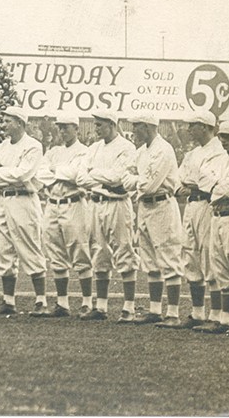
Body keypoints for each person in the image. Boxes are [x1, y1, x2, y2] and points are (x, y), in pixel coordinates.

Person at [0, 106, 50, 316]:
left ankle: (41, 301)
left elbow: (24, 175)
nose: (3, 124)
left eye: (7, 121)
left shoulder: (33, 146)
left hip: (24, 201)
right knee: (3, 250)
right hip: (3, 200)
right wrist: (7, 174)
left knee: (30, 247)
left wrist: (1, 171)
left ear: (19, 123)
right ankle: (8, 301)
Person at [122, 114, 185, 327]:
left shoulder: (163, 150)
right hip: (145, 206)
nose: (134, 130)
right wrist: (136, 181)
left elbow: (150, 185)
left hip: (162, 205)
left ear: (148, 127)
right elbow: (125, 177)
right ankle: (155, 310)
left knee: (168, 256)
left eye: (137, 126)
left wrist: (135, 181)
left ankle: (174, 314)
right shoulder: (141, 151)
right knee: (149, 259)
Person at [77, 109, 140, 321]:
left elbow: (118, 178)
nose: (96, 129)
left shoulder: (126, 147)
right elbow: (80, 177)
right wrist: (103, 180)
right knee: (99, 251)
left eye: (100, 125)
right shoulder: (93, 148)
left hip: (118, 204)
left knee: (124, 248)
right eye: (95, 125)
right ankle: (101, 307)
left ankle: (129, 307)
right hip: (96, 203)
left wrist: (96, 176)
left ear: (112, 124)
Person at [34, 115, 92, 317]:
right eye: (60, 128)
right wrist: (60, 172)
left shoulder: (84, 151)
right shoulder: (53, 151)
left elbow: (76, 175)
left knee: (80, 250)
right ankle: (62, 303)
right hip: (52, 204)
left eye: (66, 127)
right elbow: (40, 174)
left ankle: (86, 302)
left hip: (73, 202)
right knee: (55, 252)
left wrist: (54, 171)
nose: (62, 131)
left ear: (76, 129)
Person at [176, 110, 225, 328]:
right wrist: (192, 183)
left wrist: (194, 183)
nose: (189, 129)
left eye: (193, 125)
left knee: (209, 256)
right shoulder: (191, 154)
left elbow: (212, 183)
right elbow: (179, 180)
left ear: (205, 127)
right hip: (191, 206)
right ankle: (197, 313)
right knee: (190, 256)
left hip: (208, 205)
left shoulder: (220, 150)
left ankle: (215, 315)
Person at [196, 120, 229, 334]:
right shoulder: (220, 158)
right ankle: (225, 319)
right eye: (222, 136)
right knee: (220, 267)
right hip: (217, 215)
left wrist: (215, 186)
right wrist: (217, 187)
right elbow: (202, 180)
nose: (224, 140)